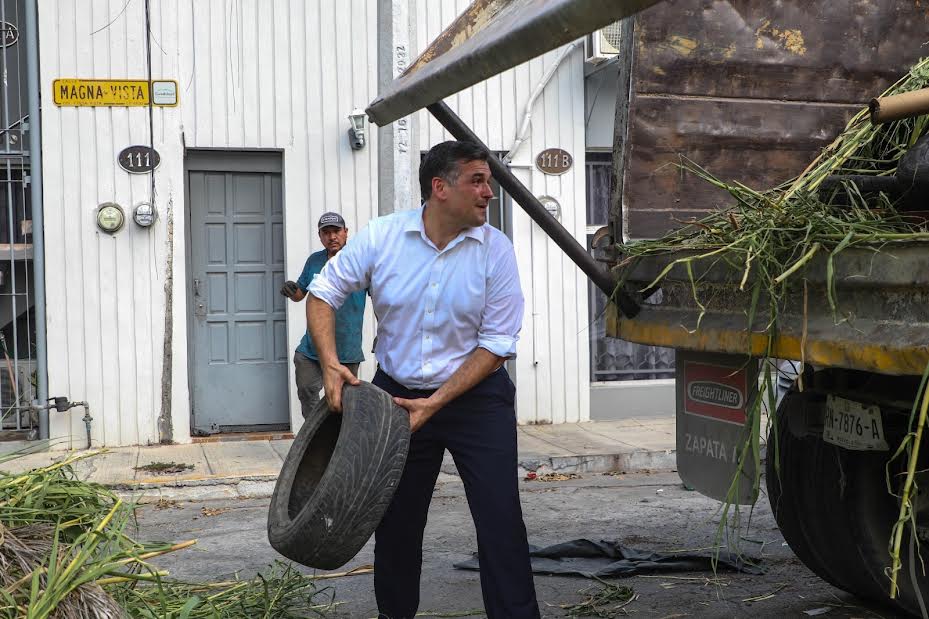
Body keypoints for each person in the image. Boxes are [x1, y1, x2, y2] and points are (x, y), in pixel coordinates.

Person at [306, 141, 540, 619]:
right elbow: (322, 293)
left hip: (476, 398)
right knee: (396, 522)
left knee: (501, 522)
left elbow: (497, 343)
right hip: (396, 397)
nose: (489, 192)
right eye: (477, 180)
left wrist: (437, 402)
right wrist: (330, 362)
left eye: (488, 181)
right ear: (440, 188)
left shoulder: (496, 252)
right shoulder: (381, 238)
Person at [280, 212, 366, 418]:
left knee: (343, 402)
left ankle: (338, 443)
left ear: (346, 232)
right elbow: (301, 293)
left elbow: (381, 297)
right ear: (320, 236)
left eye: (336, 231)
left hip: (347, 350)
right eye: (326, 233)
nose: (332, 237)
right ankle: (314, 437)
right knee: (307, 390)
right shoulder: (314, 261)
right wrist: (292, 291)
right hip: (311, 350)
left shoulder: (360, 261)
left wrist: (384, 333)